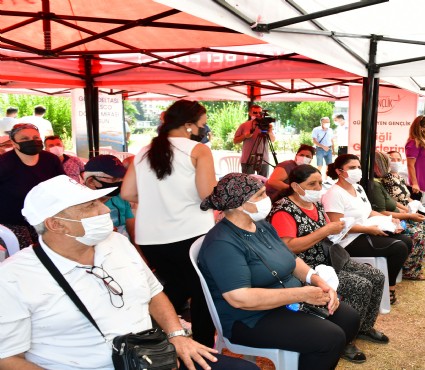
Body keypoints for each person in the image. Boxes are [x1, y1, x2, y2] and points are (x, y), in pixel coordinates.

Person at [0, 175, 257, 370]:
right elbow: (7, 357)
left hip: (152, 356)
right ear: (55, 224)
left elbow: (155, 293)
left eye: (100, 203)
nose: (105, 211)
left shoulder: (117, 243)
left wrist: (177, 335)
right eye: (90, 207)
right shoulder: (14, 277)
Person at [197, 173, 361, 370]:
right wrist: (302, 294)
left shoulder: (260, 225)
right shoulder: (222, 243)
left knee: (349, 319)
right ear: (239, 204)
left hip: (286, 301)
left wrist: (317, 281)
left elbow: (291, 259)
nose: (267, 199)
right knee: (330, 338)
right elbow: (239, 298)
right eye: (259, 195)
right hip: (249, 319)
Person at [269, 164, 390, 363]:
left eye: (319, 183)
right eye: (312, 184)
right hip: (305, 267)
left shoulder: (315, 204)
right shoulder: (284, 209)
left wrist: (338, 229)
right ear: (296, 186)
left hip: (328, 257)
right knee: (360, 285)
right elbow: (289, 248)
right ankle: (345, 340)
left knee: (376, 276)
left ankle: (363, 327)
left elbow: (326, 228)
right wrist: (325, 231)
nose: (318, 188)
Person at [121, 100, 216, 347]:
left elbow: (127, 193)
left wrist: (157, 199)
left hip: (150, 238)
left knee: (175, 285)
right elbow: (207, 193)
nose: (203, 130)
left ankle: (145, 333)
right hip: (190, 233)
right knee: (201, 291)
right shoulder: (197, 150)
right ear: (188, 125)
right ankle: (203, 346)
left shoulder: (143, 151)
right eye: (202, 125)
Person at [322, 154, 410, 304]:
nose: (357, 170)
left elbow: (368, 212)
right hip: (348, 240)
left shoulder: (358, 188)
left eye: (358, 167)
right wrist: (369, 230)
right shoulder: (333, 194)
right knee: (399, 247)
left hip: (366, 231)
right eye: (351, 167)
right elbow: (338, 226)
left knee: (406, 240)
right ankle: (389, 289)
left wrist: (389, 220)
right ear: (339, 171)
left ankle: (387, 281)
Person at [370, 151, 425, 280]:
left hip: (397, 216)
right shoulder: (375, 184)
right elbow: (382, 212)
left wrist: (409, 212)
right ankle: (408, 269)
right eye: (387, 163)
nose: (390, 167)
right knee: (417, 232)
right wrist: (409, 216)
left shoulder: (381, 181)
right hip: (387, 219)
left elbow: (392, 201)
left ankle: (415, 265)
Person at [0, 123, 64, 249]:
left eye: (36, 138)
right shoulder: (3, 163)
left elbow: (62, 186)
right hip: (12, 222)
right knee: (27, 255)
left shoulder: (51, 160)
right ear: (14, 143)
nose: (32, 142)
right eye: (25, 139)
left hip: (45, 218)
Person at [385, 151, 425, 256]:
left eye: (398, 160)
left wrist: (417, 204)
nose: (396, 162)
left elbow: (407, 196)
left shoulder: (399, 178)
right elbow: (390, 200)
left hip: (408, 206)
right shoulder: (386, 179)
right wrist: (407, 210)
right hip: (399, 209)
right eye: (392, 159)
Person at [83, 154, 136, 244]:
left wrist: (139, 256)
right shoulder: (78, 206)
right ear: (91, 181)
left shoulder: (121, 198)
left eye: (122, 178)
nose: (120, 183)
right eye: (114, 179)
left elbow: (132, 231)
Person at [233, 105, 276, 177]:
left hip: (263, 159)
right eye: (255, 112)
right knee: (248, 183)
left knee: (263, 182)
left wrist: (270, 132)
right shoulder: (244, 125)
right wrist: (245, 136)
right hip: (248, 159)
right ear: (250, 113)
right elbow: (235, 141)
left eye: (260, 112)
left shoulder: (266, 125)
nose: (258, 114)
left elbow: (273, 140)